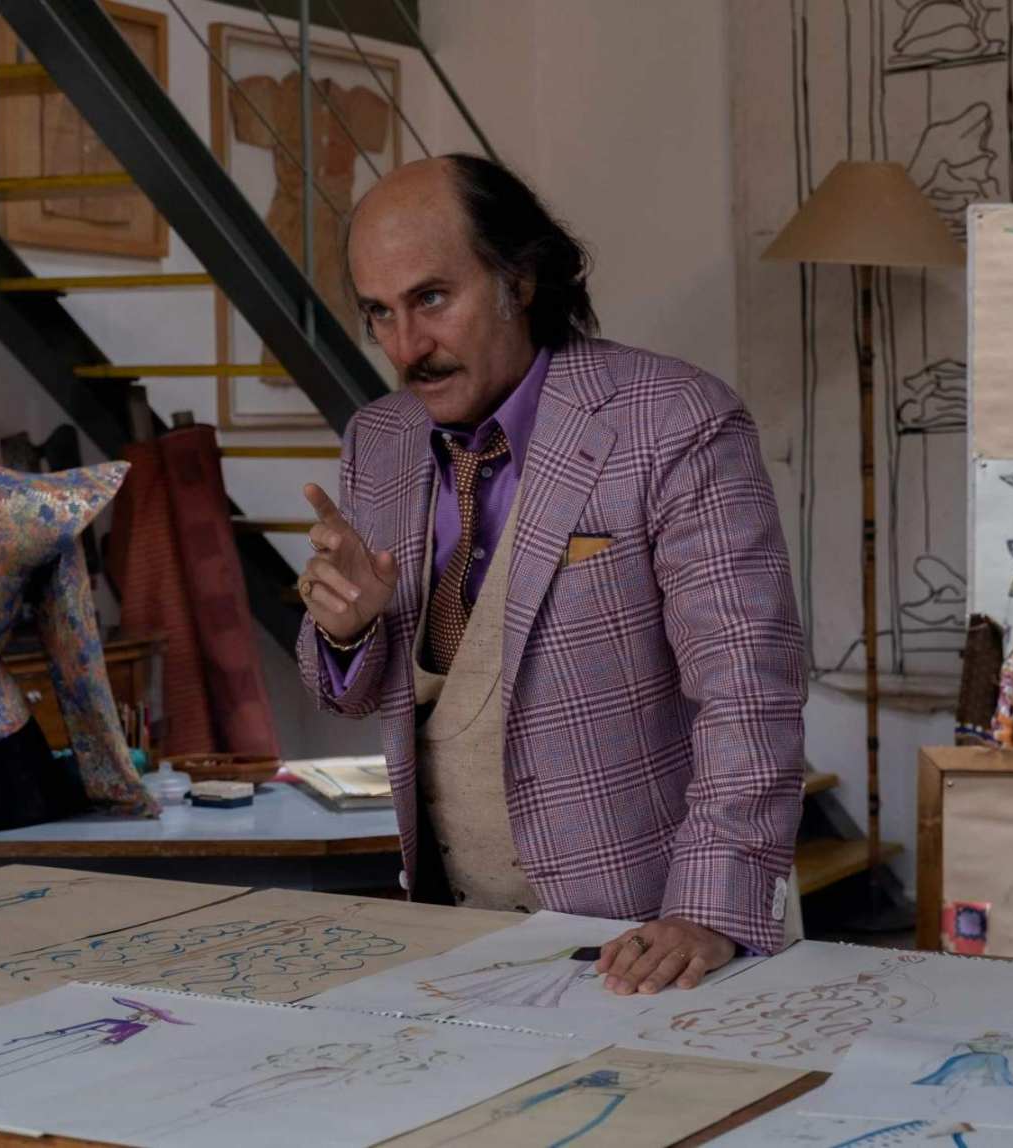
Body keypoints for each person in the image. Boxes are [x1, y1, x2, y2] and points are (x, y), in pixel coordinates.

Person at [294, 155, 806, 994]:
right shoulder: (377, 441)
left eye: (432, 299)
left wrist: (707, 910)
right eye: (379, 312)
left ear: (519, 279)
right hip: (457, 939)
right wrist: (345, 632)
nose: (406, 348)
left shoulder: (676, 419)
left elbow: (750, 689)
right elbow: (353, 697)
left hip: (657, 938)